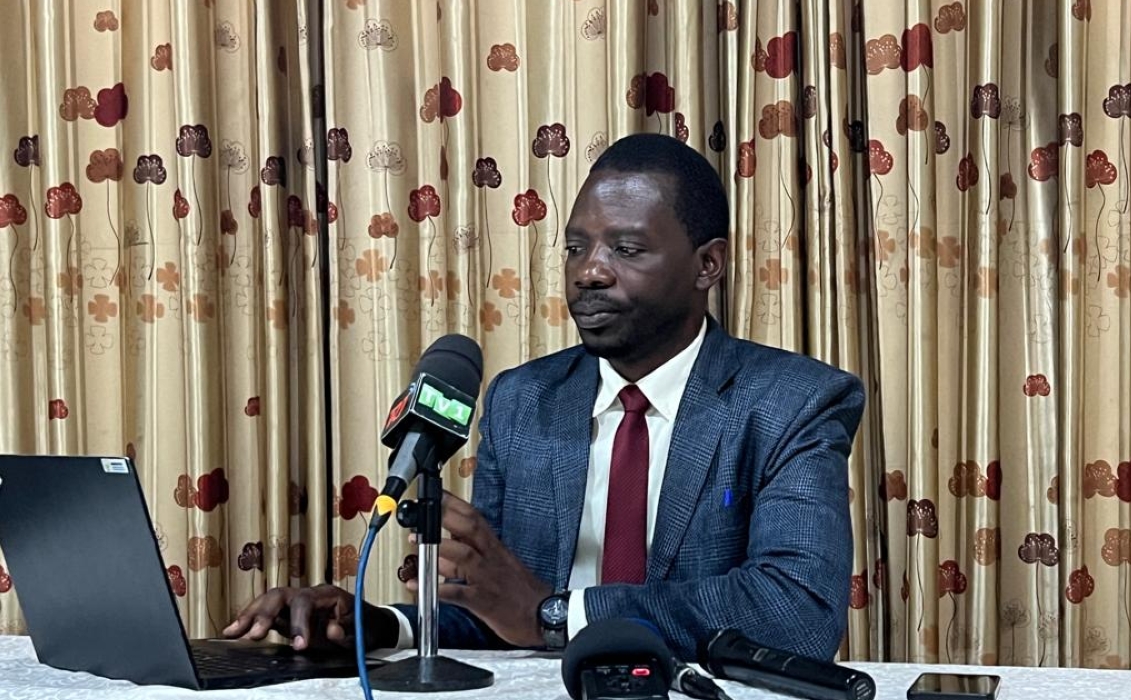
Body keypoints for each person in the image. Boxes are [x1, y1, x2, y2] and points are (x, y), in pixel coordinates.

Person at [224, 133, 865, 661]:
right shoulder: (522, 401)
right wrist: (374, 624)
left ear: (708, 266)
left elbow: (796, 611)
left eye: (627, 248)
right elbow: (499, 612)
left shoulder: (794, 402)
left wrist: (555, 614)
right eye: (577, 247)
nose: (589, 270)